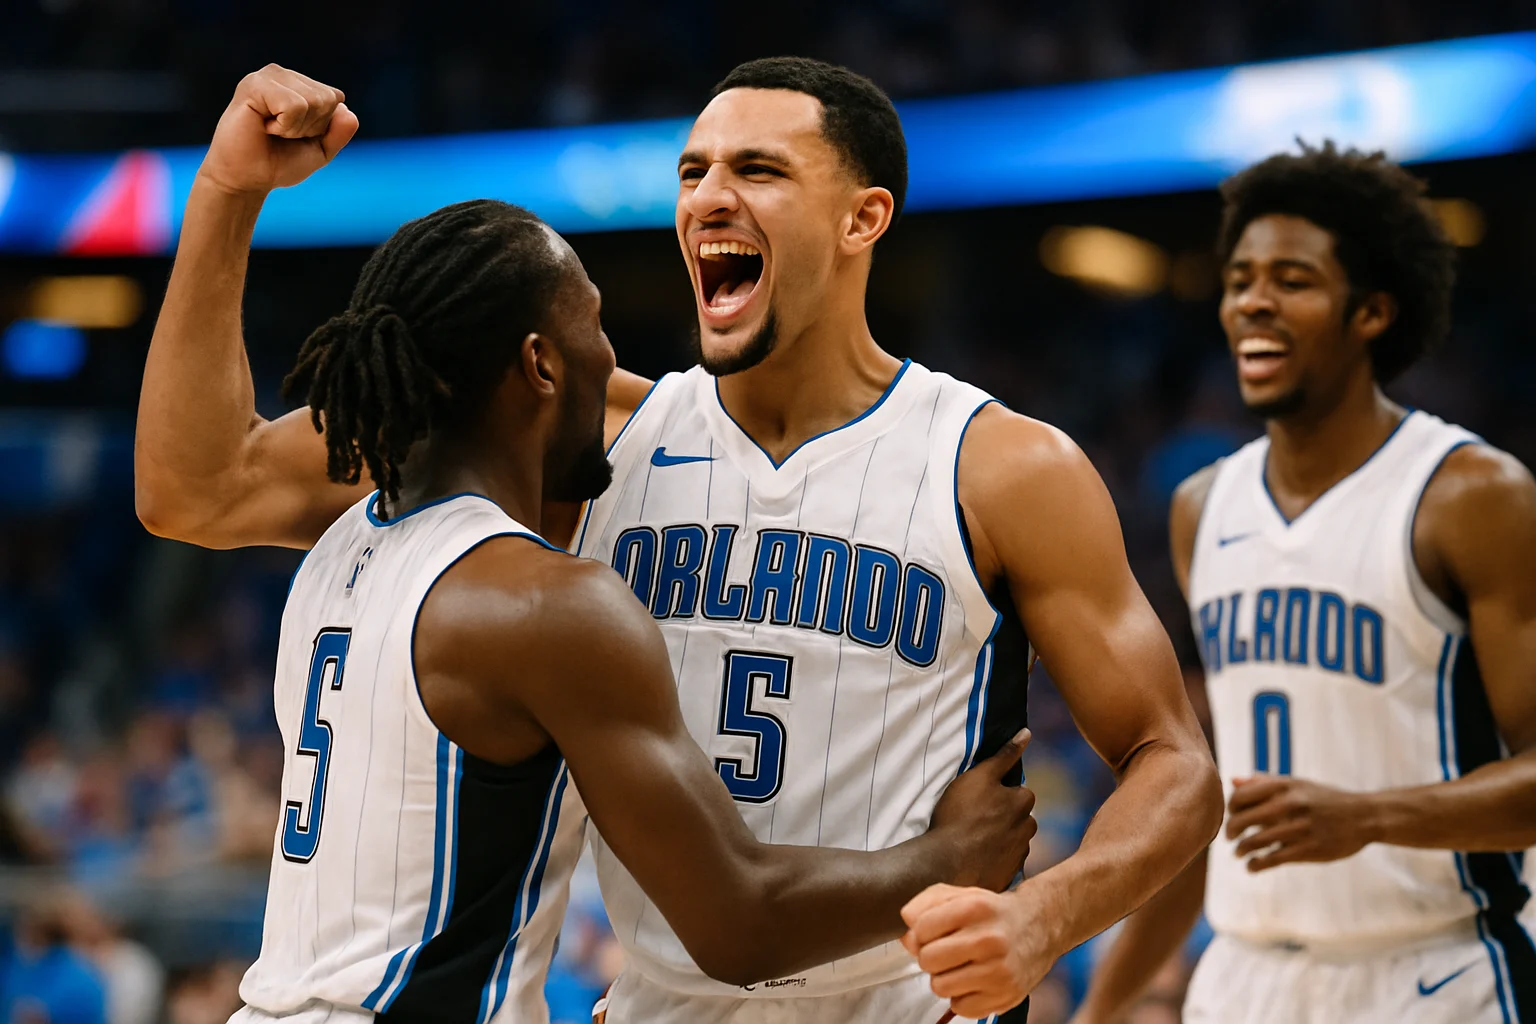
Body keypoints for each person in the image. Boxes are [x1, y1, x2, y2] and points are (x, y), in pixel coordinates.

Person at [134, 61, 1224, 1023]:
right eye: (692, 171)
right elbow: (201, 488)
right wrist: (226, 192)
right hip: (671, 992)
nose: (708, 197)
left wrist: (1042, 917)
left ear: (863, 218)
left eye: (758, 170)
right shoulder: (573, 430)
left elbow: (1174, 763)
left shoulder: (1002, 466)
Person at [1070, 144, 1536, 1024]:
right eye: (1239, 279)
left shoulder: (1471, 496)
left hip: (1435, 974)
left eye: (1293, 280)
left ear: (1373, 311)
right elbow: (1214, 803)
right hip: (1245, 978)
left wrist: (1373, 817)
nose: (1253, 301)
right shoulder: (1202, 507)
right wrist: (1101, 1007)